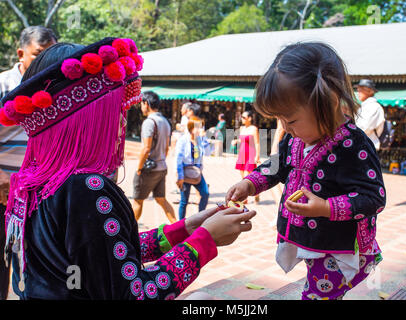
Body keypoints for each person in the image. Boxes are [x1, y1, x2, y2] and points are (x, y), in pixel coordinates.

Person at [0, 38, 256, 300]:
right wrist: (205, 241)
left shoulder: (31, 181)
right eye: (113, 112)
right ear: (86, 121)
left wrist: (187, 229)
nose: (122, 122)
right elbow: (135, 294)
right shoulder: (85, 188)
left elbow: (104, 255)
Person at [226, 42, 386, 300]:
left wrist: (326, 207)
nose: (285, 128)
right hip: (313, 241)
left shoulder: (354, 144)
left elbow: (373, 198)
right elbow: (277, 166)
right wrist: (251, 183)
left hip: (340, 247)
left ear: (329, 101)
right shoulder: (294, 139)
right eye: (280, 120)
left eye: (290, 120)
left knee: (315, 295)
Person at [0, 25, 57, 300]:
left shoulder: (56, 90)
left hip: (36, 198)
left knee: (29, 270)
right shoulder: (2, 86)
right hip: (1, 195)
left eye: (52, 55)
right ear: (21, 53)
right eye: (38, 55)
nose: (47, 63)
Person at [132, 91, 176, 224]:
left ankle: (128, 232)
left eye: (141, 104)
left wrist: (139, 168)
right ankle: (178, 226)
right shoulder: (165, 121)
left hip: (148, 169)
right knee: (161, 199)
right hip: (162, 166)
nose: (141, 107)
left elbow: (146, 148)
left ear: (146, 103)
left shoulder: (149, 122)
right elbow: (167, 148)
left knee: (137, 201)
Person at [175, 120, 211, 220]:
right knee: (184, 201)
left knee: (205, 193)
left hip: (196, 173)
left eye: (201, 127)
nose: (200, 130)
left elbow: (208, 153)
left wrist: (204, 138)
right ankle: (180, 223)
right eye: (198, 127)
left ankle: (200, 218)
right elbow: (178, 159)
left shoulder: (200, 139)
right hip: (185, 173)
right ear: (191, 128)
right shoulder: (183, 140)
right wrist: (180, 176)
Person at [232, 110, 260, 203]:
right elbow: (242, 140)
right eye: (242, 117)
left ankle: (255, 194)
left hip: (250, 153)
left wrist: (257, 156)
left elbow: (257, 142)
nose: (242, 119)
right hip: (242, 153)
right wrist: (236, 141)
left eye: (244, 117)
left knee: (250, 175)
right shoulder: (242, 128)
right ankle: (246, 196)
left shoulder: (254, 129)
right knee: (242, 176)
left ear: (250, 118)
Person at [355, 79, 385, 151]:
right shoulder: (363, 106)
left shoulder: (374, 107)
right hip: (362, 145)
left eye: (360, 91)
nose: (358, 93)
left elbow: (364, 128)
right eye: (358, 90)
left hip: (369, 147)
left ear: (369, 91)